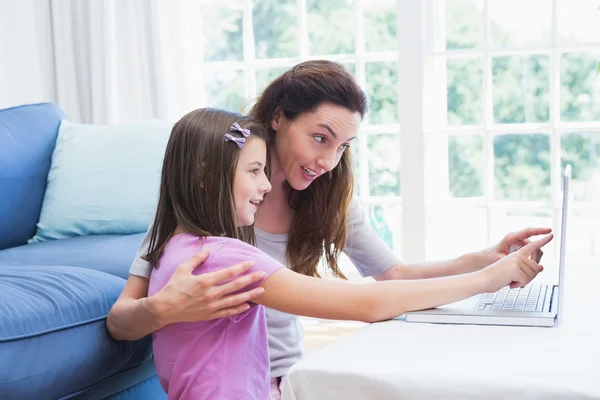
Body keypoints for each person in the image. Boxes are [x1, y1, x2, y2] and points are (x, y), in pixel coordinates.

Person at [106, 60, 550, 397]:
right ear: (279, 117)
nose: (329, 161)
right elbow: (122, 320)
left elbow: (390, 277)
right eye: (320, 138)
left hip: (275, 376)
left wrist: (482, 261)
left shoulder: (318, 199)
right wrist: (162, 309)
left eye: (343, 147)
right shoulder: (206, 233)